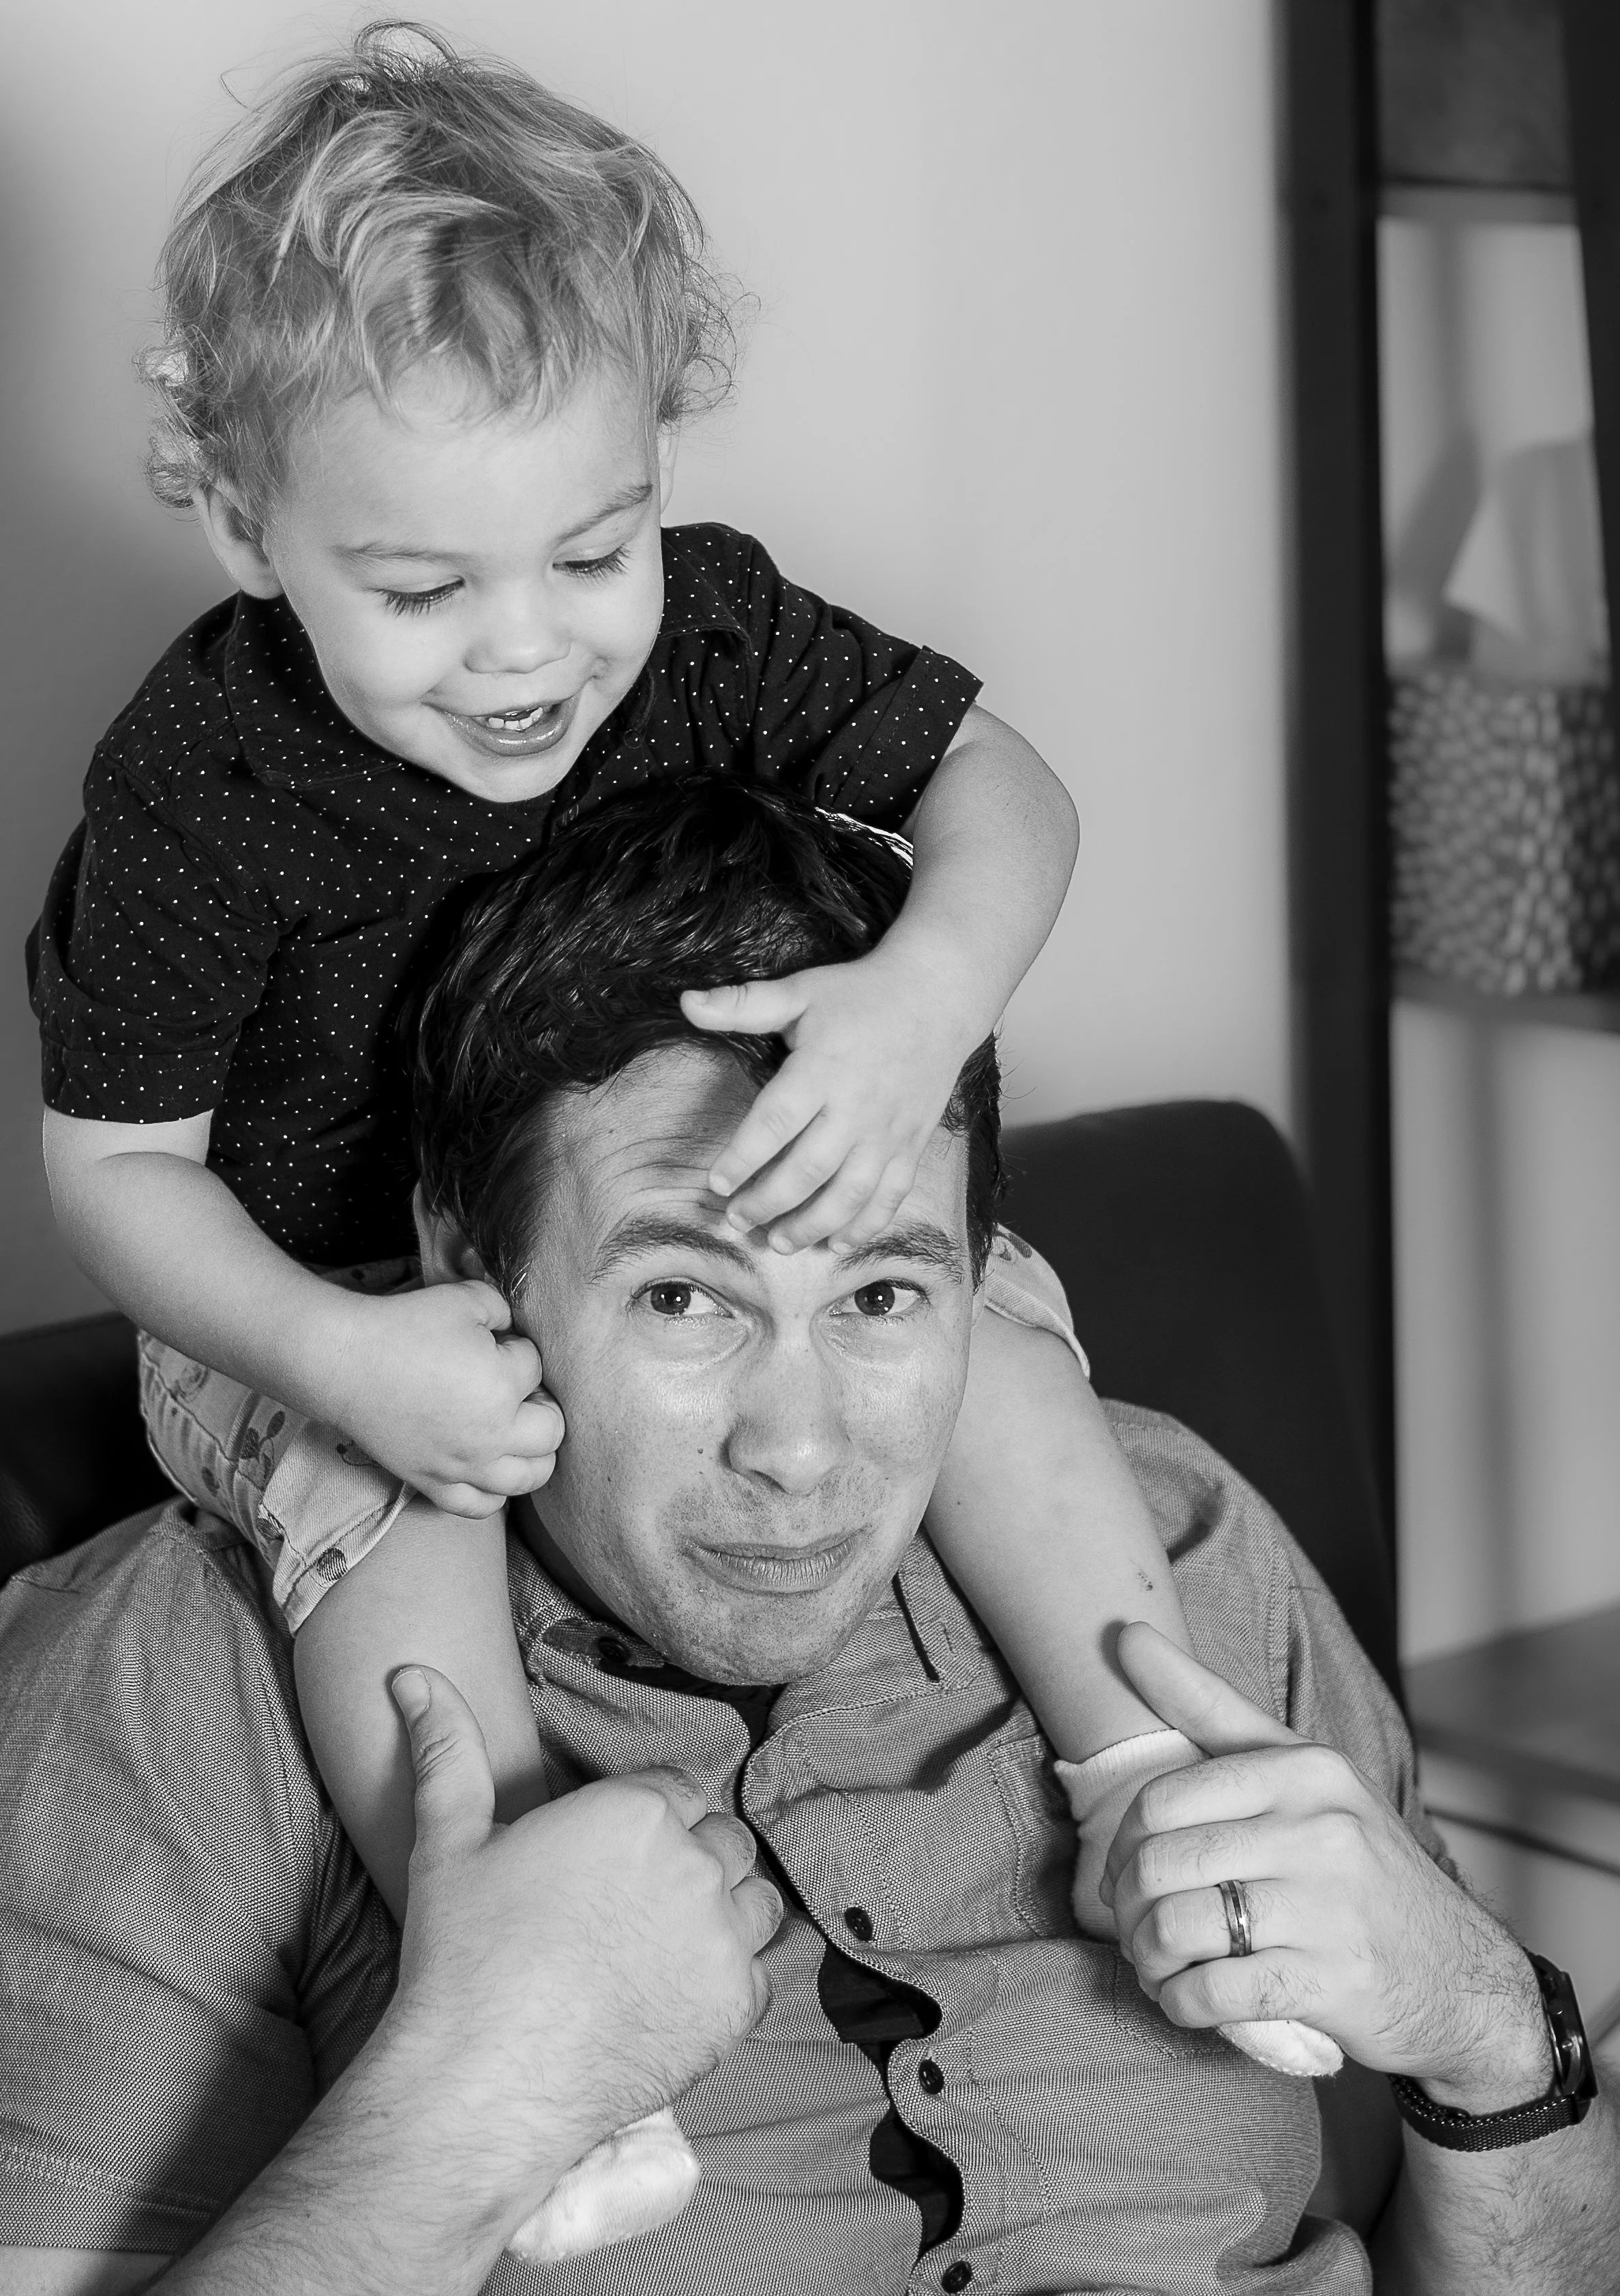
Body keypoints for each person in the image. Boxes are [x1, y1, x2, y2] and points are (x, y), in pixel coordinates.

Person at [25, 44, 1212, 2221]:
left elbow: (1005, 794)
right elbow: (110, 1171)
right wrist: (333, 1356)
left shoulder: (720, 624)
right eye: (421, 590)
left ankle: (1159, 1772)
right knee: (402, 1515)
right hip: (342, 1284)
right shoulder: (198, 785)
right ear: (239, 520)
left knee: (1010, 1369)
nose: (524, 651)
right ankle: (529, 2012)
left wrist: (922, 997)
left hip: (686, 1220)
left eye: (592, 547)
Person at [3, 781, 1620, 2295]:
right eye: (680, 1296)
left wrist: (1486, 2029)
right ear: (467, 1265)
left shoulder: (1176, 1552)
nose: (799, 1450)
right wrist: (477, 2098)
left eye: (877, 1293)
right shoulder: (170, 1701)